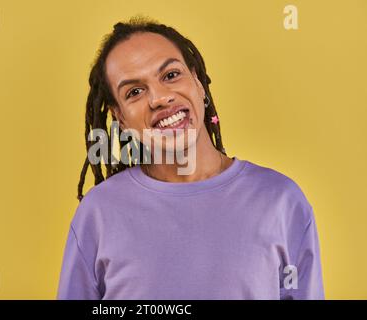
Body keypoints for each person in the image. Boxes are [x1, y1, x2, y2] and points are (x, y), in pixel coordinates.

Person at [56, 16, 325, 300]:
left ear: (197, 81)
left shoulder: (281, 201)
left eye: (171, 75)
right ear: (120, 117)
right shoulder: (99, 212)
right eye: (134, 92)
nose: (159, 98)